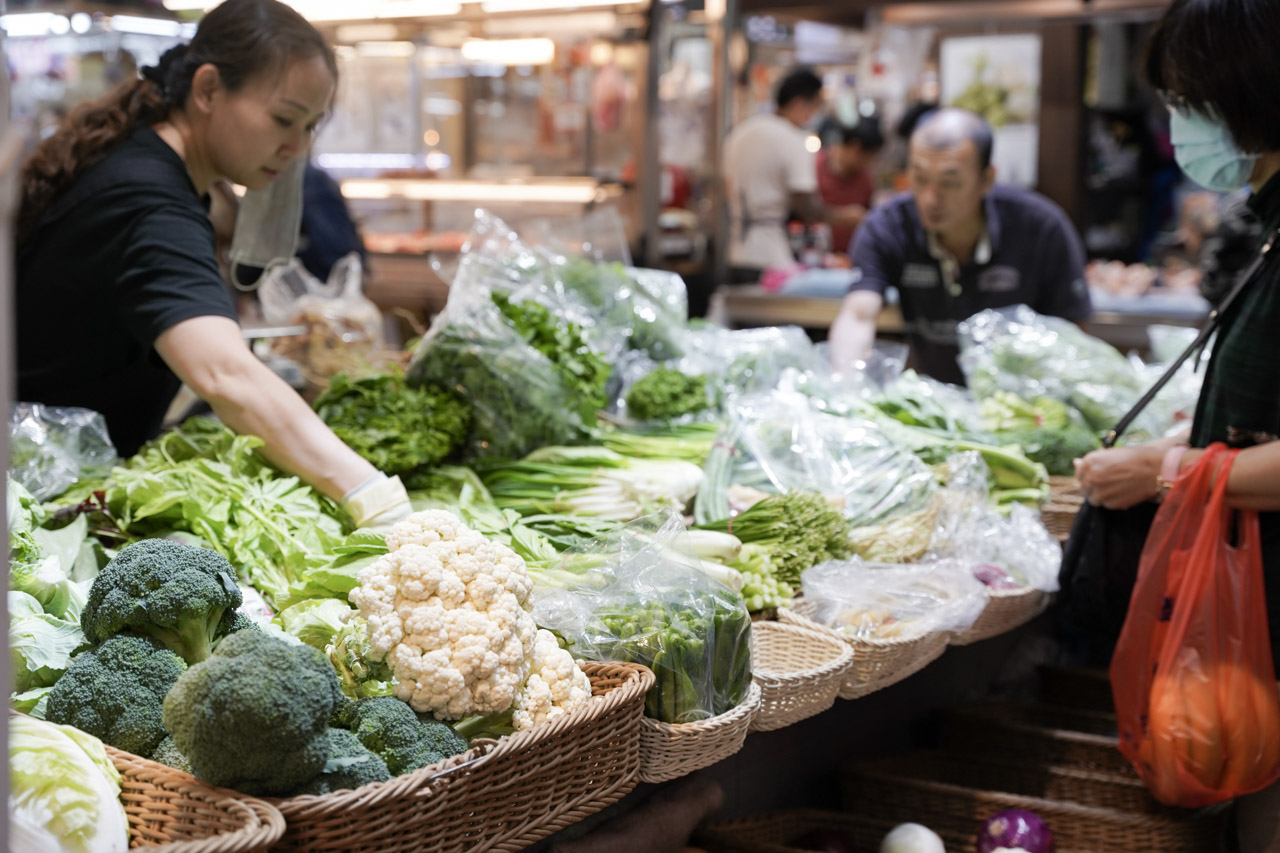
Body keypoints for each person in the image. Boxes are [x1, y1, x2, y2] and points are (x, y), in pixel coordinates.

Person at [15, 0, 411, 530]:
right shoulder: (148, 199)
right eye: (283, 119)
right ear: (206, 90)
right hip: (36, 492)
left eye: (311, 126)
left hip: (62, 472)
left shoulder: (147, 165)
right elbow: (224, 374)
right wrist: (376, 500)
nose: (296, 147)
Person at [1074, 1, 1280, 849]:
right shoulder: (1267, 230)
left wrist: (1170, 471)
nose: (1175, 121)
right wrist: (1180, 450)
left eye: (1186, 96)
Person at [829, 108, 1091, 385]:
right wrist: (846, 380)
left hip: (1024, 402)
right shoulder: (887, 226)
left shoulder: (1040, 228)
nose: (931, 198)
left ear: (986, 179)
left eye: (950, 183)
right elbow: (858, 314)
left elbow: (1072, 331)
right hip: (935, 399)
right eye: (919, 179)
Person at [722, 68, 866, 282]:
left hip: (733, 250)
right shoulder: (793, 139)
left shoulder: (739, 133)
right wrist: (848, 217)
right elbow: (807, 209)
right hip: (769, 258)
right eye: (817, 106)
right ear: (800, 103)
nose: (816, 115)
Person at [816, 117, 884, 259]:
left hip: (850, 260)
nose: (869, 164)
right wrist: (843, 217)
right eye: (868, 158)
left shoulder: (865, 179)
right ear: (855, 148)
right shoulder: (815, 167)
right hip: (816, 257)